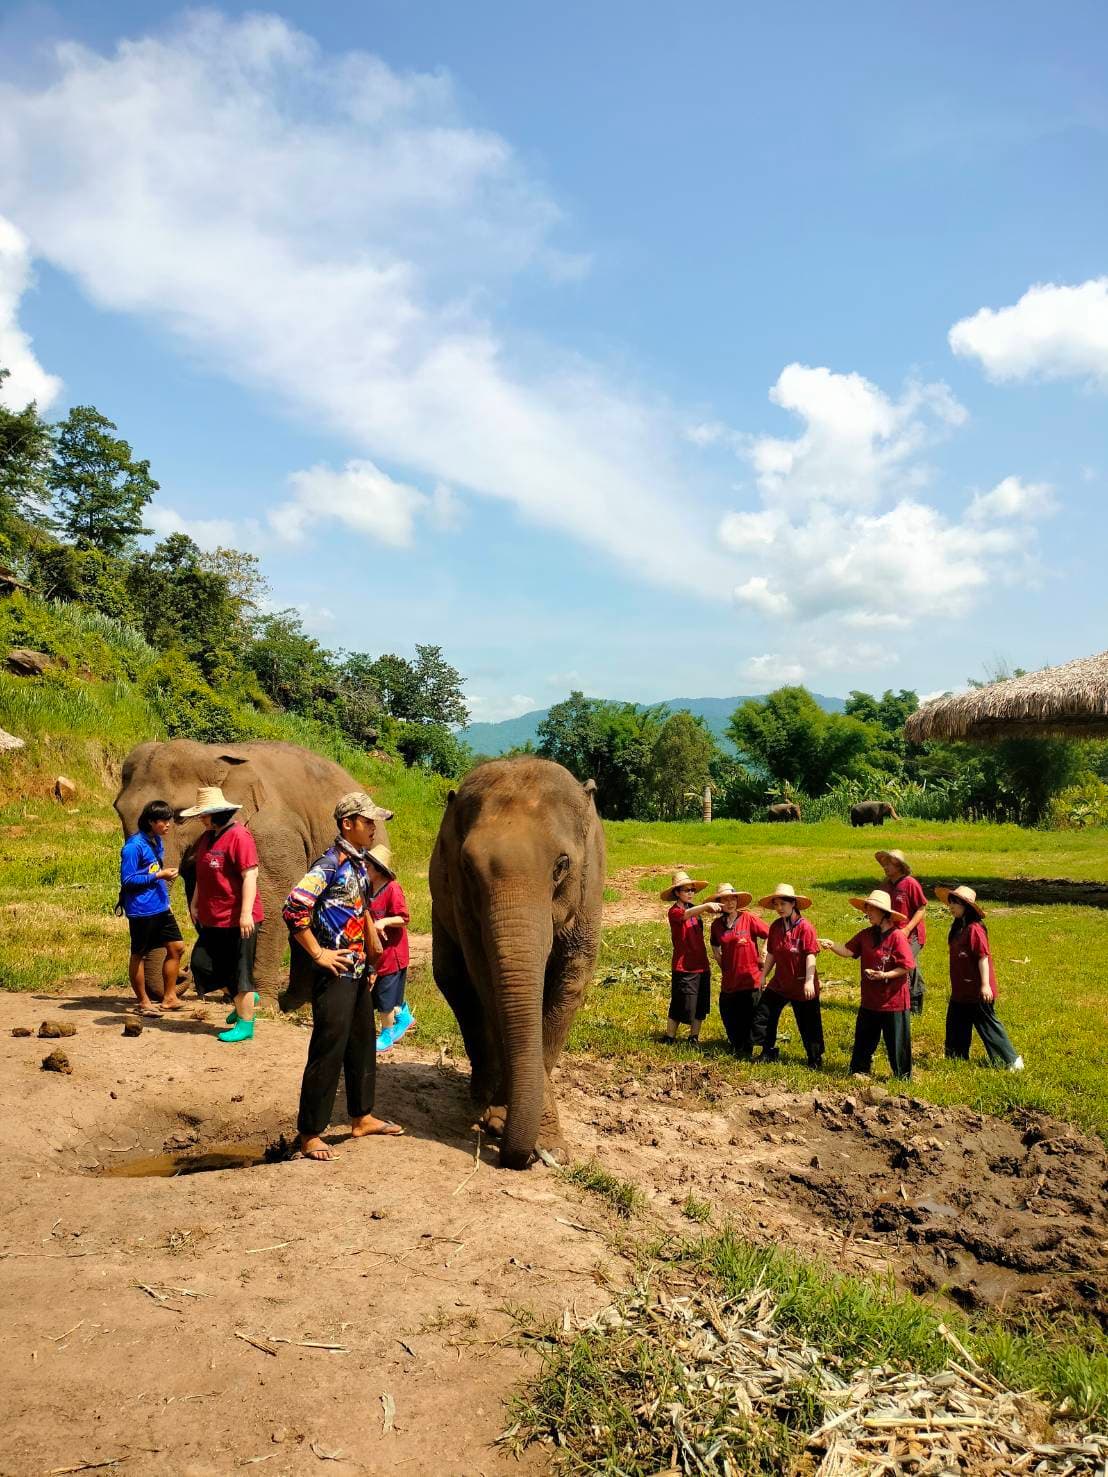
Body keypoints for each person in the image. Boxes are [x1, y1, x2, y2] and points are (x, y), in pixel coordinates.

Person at [284, 792, 405, 1161]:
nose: (374, 828)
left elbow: (362, 913)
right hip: (334, 971)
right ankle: (309, 1133)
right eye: (368, 822)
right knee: (328, 1048)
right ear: (347, 823)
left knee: (361, 1045)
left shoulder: (358, 865)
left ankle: (362, 1117)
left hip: (357, 971)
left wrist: (370, 964)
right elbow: (294, 907)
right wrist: (318, 953)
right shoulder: (330, 864)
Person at [182, 785, 264, 1044]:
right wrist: (195, 902)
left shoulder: (240, 836)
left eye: (203, 814)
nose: (200, 818)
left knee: (240, 972)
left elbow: (250, 875)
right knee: (202, 964)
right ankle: (244, 1000)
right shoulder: (208, 837)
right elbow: (202, 874)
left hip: (238, 918)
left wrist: (245, 913)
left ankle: (245, 1022)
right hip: (213, 917)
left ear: (216, 813)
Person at [821, 888, 914, 1080]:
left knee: (896, 1042)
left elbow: (907, 966)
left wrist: (885, 975)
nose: (867, 913)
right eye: (867, 909)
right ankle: (859, 1071)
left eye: (872, 909)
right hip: (870, 999)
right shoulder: (866, 934)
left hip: (893, 1001)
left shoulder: (897, 937)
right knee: (864, 1038)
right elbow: (848, 951)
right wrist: (831, 945)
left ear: (884, 913)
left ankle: (902, 1077)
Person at [935, 884, 1024, 1071]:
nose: (950, 907)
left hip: (977, 988)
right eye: (950, 903)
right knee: (956, 1022)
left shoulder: (975, 929)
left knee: (987, 1024)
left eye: (955, 903)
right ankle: (955, 1058)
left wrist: (985, 985)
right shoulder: (958, 927)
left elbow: (983, 957)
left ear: (966, 906)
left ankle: (1012, 1060)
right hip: (961, 988)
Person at [119, 799, 184, 1015]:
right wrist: (158, 875)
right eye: (163, 821)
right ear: (150, 821)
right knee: (139, 954)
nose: (168, 825)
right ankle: (143, 1002)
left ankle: (169, 996)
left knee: (177, 947)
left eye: (169, 821)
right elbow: (128, 881)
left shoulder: (156, 841)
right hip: (141, 910)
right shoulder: (133, 847)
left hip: (160, 907)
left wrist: (166, 901)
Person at [751, 884, 824, 1068]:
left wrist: (809, 981)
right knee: (765, 1013)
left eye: (783, 903)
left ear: (793, 904)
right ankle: (767, 1051)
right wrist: (763, 976)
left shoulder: (805, 928)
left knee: (809, 1023)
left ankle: (814, 1058)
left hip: (801, 983)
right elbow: (772, 954)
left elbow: (810, 955)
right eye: (776, 904)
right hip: (780, 982)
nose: (779, 908)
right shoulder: (776, 926)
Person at [709, 884, 768, 1059]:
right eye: (725, 899)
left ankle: (753, 1047)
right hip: (730, 979)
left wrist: (763, 954)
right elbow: (714, 943)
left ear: (737, 900)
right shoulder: (717, 925)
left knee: (753, 1013)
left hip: (750, 978)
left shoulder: (748, 919)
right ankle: (737, 1044)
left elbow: (770, 934)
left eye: (732, 898)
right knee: (729, 1013)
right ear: (719, 903)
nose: (730, 902)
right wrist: (718, 958)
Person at [661, 870, 720, 1044]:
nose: (690, 893)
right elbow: (686, 916)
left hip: (702, 964)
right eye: (686, 890)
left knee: (700, 1004)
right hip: (683, 965)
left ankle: (694, 1037)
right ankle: (669, 1036)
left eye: (692, 890)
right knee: (680, 1003)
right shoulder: (675, 912)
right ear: (677, 893)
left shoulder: (692, 909)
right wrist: (705, 907)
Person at [365, 846, 413, 1053]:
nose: (363, 868)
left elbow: (404, 918)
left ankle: (386, 1034)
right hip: (377, 952)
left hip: (392, 953)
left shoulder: (392, 888)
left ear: (377, 869)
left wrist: (384, 922)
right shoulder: (368, 888)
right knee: (385, 994)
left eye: (367, 865)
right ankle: (403, 1016)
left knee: (385, 996)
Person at [877, 849, 928, 1015]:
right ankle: (900, 1001)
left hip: (911, 935)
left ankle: (914, 1003)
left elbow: (921, 908)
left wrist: (907, 929)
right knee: (906, 965)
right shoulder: (885, 885)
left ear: (899, 866)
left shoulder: (910, 883)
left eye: (889, 863)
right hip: (892, 934)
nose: (885, 866)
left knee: (906, 964)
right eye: (884, 863)